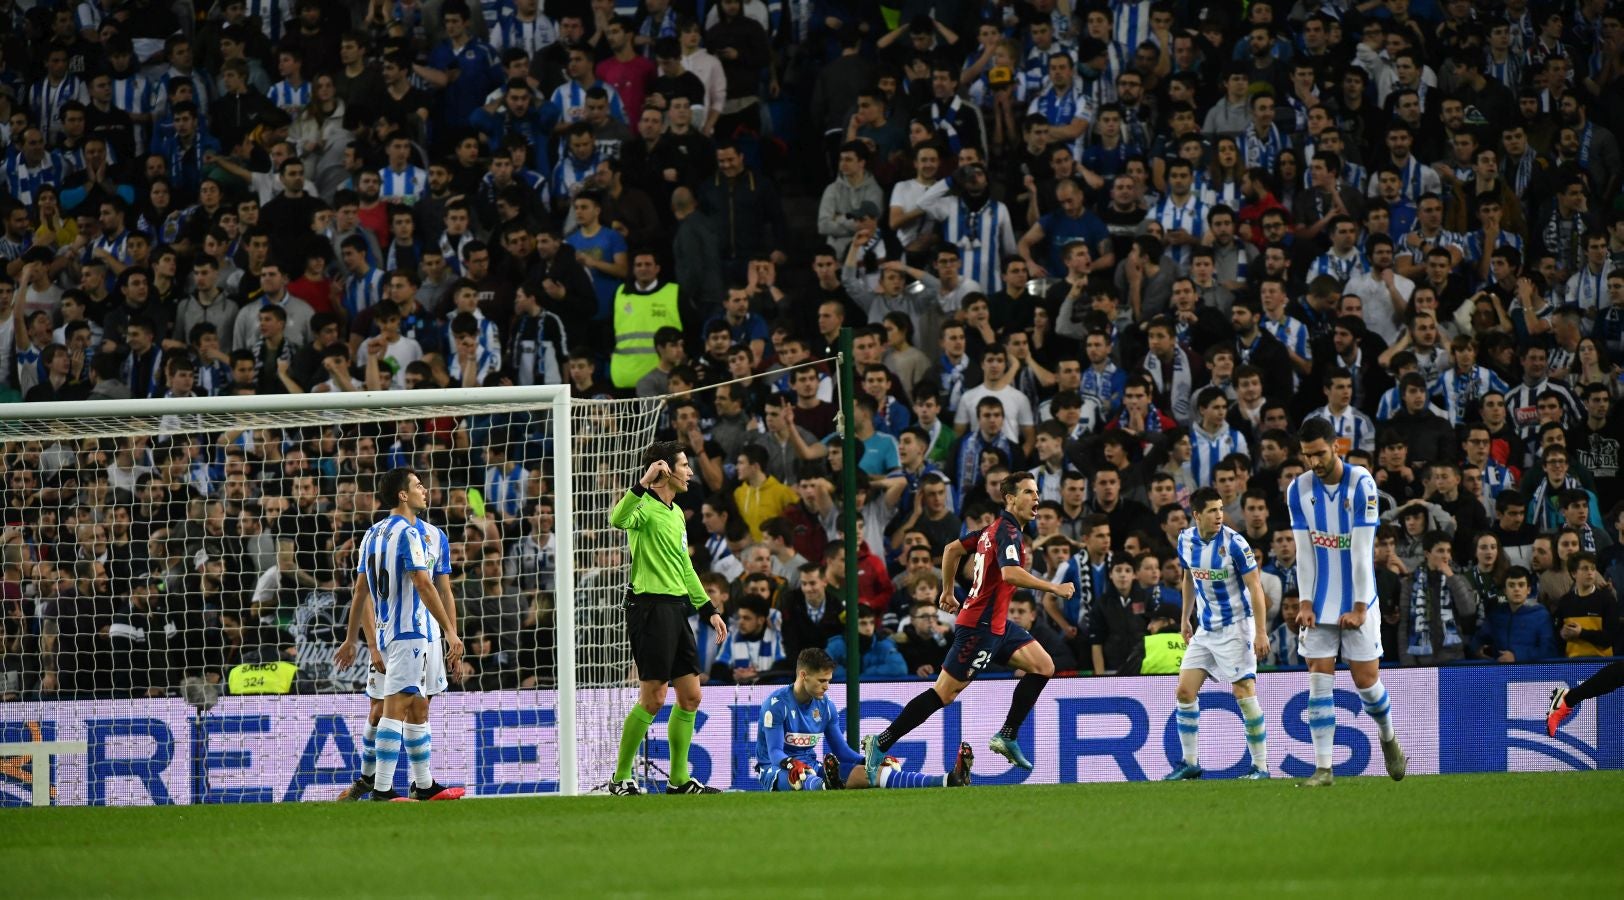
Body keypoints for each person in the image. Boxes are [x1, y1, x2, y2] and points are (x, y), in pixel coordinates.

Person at [862, 472, 1071, 782]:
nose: (1036, 499)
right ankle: (881, 742)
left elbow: (951, 550)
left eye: (1037, 492)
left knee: (1043, 665)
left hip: (998, 624)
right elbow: (1011, 573)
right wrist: (1054, 588)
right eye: (1028, 492)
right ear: (1010, 499)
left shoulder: (991, 530)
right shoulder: (1008, 533)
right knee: (944, 694)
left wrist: (947, 591)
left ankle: (1007, 735)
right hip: (980, 629)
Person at [1287, 417, 1406, 787]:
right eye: (1308, 456)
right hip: (1320, 601)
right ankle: (1324, 768)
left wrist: (1358, 608)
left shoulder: (1362, 484)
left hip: (1359, 598)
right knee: (1318, 679)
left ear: (1336, 446)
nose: (1315, 462)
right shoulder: (1298, 489)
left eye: (1320, 453)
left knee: (1366, 682)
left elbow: (1360, 549)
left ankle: (1388, 738)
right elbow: (1304, 551)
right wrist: (1305, 602)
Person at [606, 441, 727, 795]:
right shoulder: (642, 507)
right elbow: (617, 519)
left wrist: (708, 609)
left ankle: (678, 780)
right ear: (665, 470)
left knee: (690, 696)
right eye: (685, 465)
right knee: (654, 698)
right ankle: (620, 778)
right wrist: (642, 482)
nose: (690, 472)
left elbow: (685, 567)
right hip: (649, 608)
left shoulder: (675, 513)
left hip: (676, 609)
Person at [335, 500, 460, 801]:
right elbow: (363, 592)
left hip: (426, 638)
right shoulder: (385, 534)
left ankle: (422, 784)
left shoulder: (435, 536)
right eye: (418, 485)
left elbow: (443, 590)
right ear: (403, 495)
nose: (425, 491)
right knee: (383, 710)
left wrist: (449, 635)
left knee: (419, 707)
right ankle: (373, 781)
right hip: (395, 634)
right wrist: (369, 643)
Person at [1163, 487, 1272, 781]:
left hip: (1237, 627)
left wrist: (1260, 632)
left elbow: (1256, 588)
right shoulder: (1185, 540)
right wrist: (1186, 618)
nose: (1218, 515)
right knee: (1184, 691)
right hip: (1205, 629)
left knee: (1243, 692)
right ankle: (1190, 763)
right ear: (1196, 515)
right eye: (1212, 510)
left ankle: (1260, 767)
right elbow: (1188, 578)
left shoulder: (1235, 543)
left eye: (1221, 509)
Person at [756, 648, 972, 791]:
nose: (827, 686)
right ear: (803, 676)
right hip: (777, 771)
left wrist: (868, 761)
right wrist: (792, 763)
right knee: (802, 778)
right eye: (822, 680)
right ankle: (825, 785)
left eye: (829, 680)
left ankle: (946, 780)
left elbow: (842, 752)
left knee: (874, 774)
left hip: (812, 766)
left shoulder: (826, 707)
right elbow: (774, 753)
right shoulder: (776, 705)